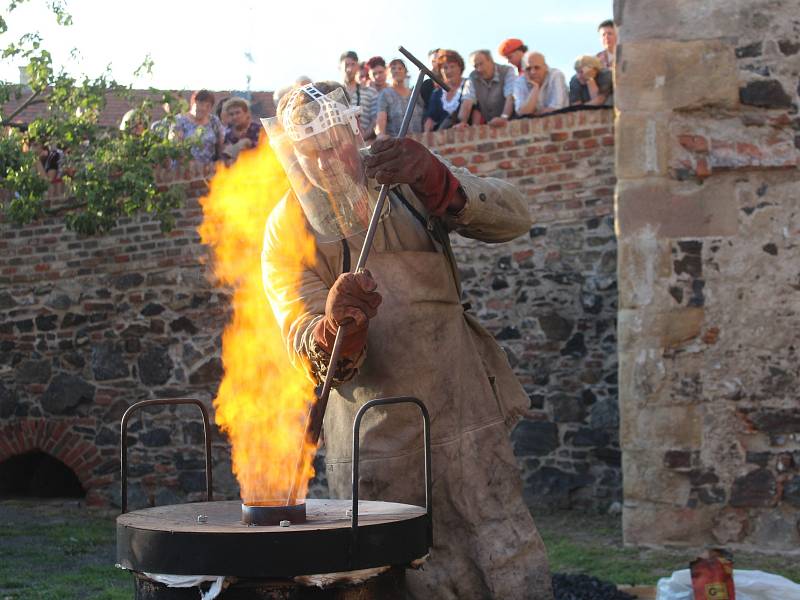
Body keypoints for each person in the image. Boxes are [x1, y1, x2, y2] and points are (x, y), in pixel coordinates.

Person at [261, 80, 553, 600]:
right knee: (394, 579)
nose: (328, 161)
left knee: (505, 563)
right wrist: (335, 328)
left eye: (336, 142)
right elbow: (302, 342)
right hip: (374, 445)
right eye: (311, 152)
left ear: (356, 127)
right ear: (291, 153)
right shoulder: (288, 229)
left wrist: (437, 180)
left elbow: (515, 216)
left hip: (466, 421)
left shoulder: (403, 175)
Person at [457, 50, 516, 127]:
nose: (479, 69)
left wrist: (504, 117)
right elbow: (467, 100)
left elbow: (510, 96)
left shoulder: (507, 71)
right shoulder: (473, 77)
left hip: (512, 124)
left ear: (490, 60)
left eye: (481, 64)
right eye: (475, 66)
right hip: (489, 126)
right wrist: (463, 122)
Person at [170, 90, 225, 163]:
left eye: (208, 106)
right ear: (192, 103)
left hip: (209, 168)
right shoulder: (179, 120)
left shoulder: (214, 121)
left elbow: (221, 144)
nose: (203, 108)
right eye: (200, 104)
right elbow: (176, 146)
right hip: (184, 168)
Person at [375, 58, 424, 137]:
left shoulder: (415, 93)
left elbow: (423, 118)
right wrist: (381, 135)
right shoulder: (385, 94)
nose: (396, 71)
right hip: (397, 144)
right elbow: (381, 119)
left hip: (418, 142)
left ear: (405, 72)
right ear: (388, 73)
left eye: (400, 68)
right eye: (393, 68)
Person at [514, 51, 569, 117]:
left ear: (545, 67)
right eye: (528, 69)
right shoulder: (520, 81)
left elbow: (556, 108)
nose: (533, 72)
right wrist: (535, 88)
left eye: (537, 68)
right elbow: (522, 113)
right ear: (524, 71)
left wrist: (534, 114)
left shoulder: (556, 75)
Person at [423, 50, 467, 132]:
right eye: (445, 68)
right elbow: (430, 119)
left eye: (452, 66)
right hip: (442, 139)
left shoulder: (468, 84)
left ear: (460, 67)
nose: (449, 71)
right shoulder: (437, 93)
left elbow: (476, 111)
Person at [340, 50, 378, 140]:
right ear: (339, 67)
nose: (349, 69)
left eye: (353, 64)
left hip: (365, 145)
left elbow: (375, 120)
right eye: (346, 65)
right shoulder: (332, 94)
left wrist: (362, 140)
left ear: (358, 67)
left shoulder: (371, 92)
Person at [222, 97, 261, 163]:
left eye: (238, 113)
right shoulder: (227, 134)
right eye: (231, 114)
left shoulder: (259, 130)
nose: (235, 117)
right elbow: (225, 158)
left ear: (246, 113)